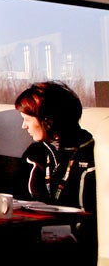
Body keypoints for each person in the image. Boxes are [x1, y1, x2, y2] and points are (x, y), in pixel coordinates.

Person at [15, 81, 95, 209]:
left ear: (48, 121)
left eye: (27, 119)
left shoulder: (91, 155)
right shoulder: (34, 153)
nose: (23, 126)